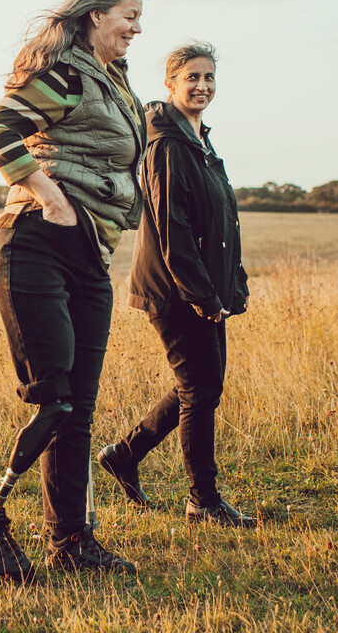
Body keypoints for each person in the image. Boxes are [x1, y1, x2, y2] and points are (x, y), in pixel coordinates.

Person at [0, 0, 148, 582]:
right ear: (96, 15)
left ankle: (74, 543)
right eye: (130, 16)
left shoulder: (114, 82)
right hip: (34, 244)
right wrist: (49, 197)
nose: (137, 29)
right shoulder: (65, 77)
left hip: (90, 255)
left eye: (141, 18)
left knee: (79, 408)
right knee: (55, 399)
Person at [97, 41, 256, 528]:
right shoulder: (166, 144)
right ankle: (202, 500)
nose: (202, 86)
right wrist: (202, 296)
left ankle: (125, 455)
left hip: (203, 287)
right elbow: (173, 228)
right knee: (200, 387)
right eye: (192, 78)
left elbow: (223, 220)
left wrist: (234, 284)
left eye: (209, 78)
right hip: (174, 290)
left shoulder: (199, 139)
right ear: (171, 84)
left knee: (201, 386)